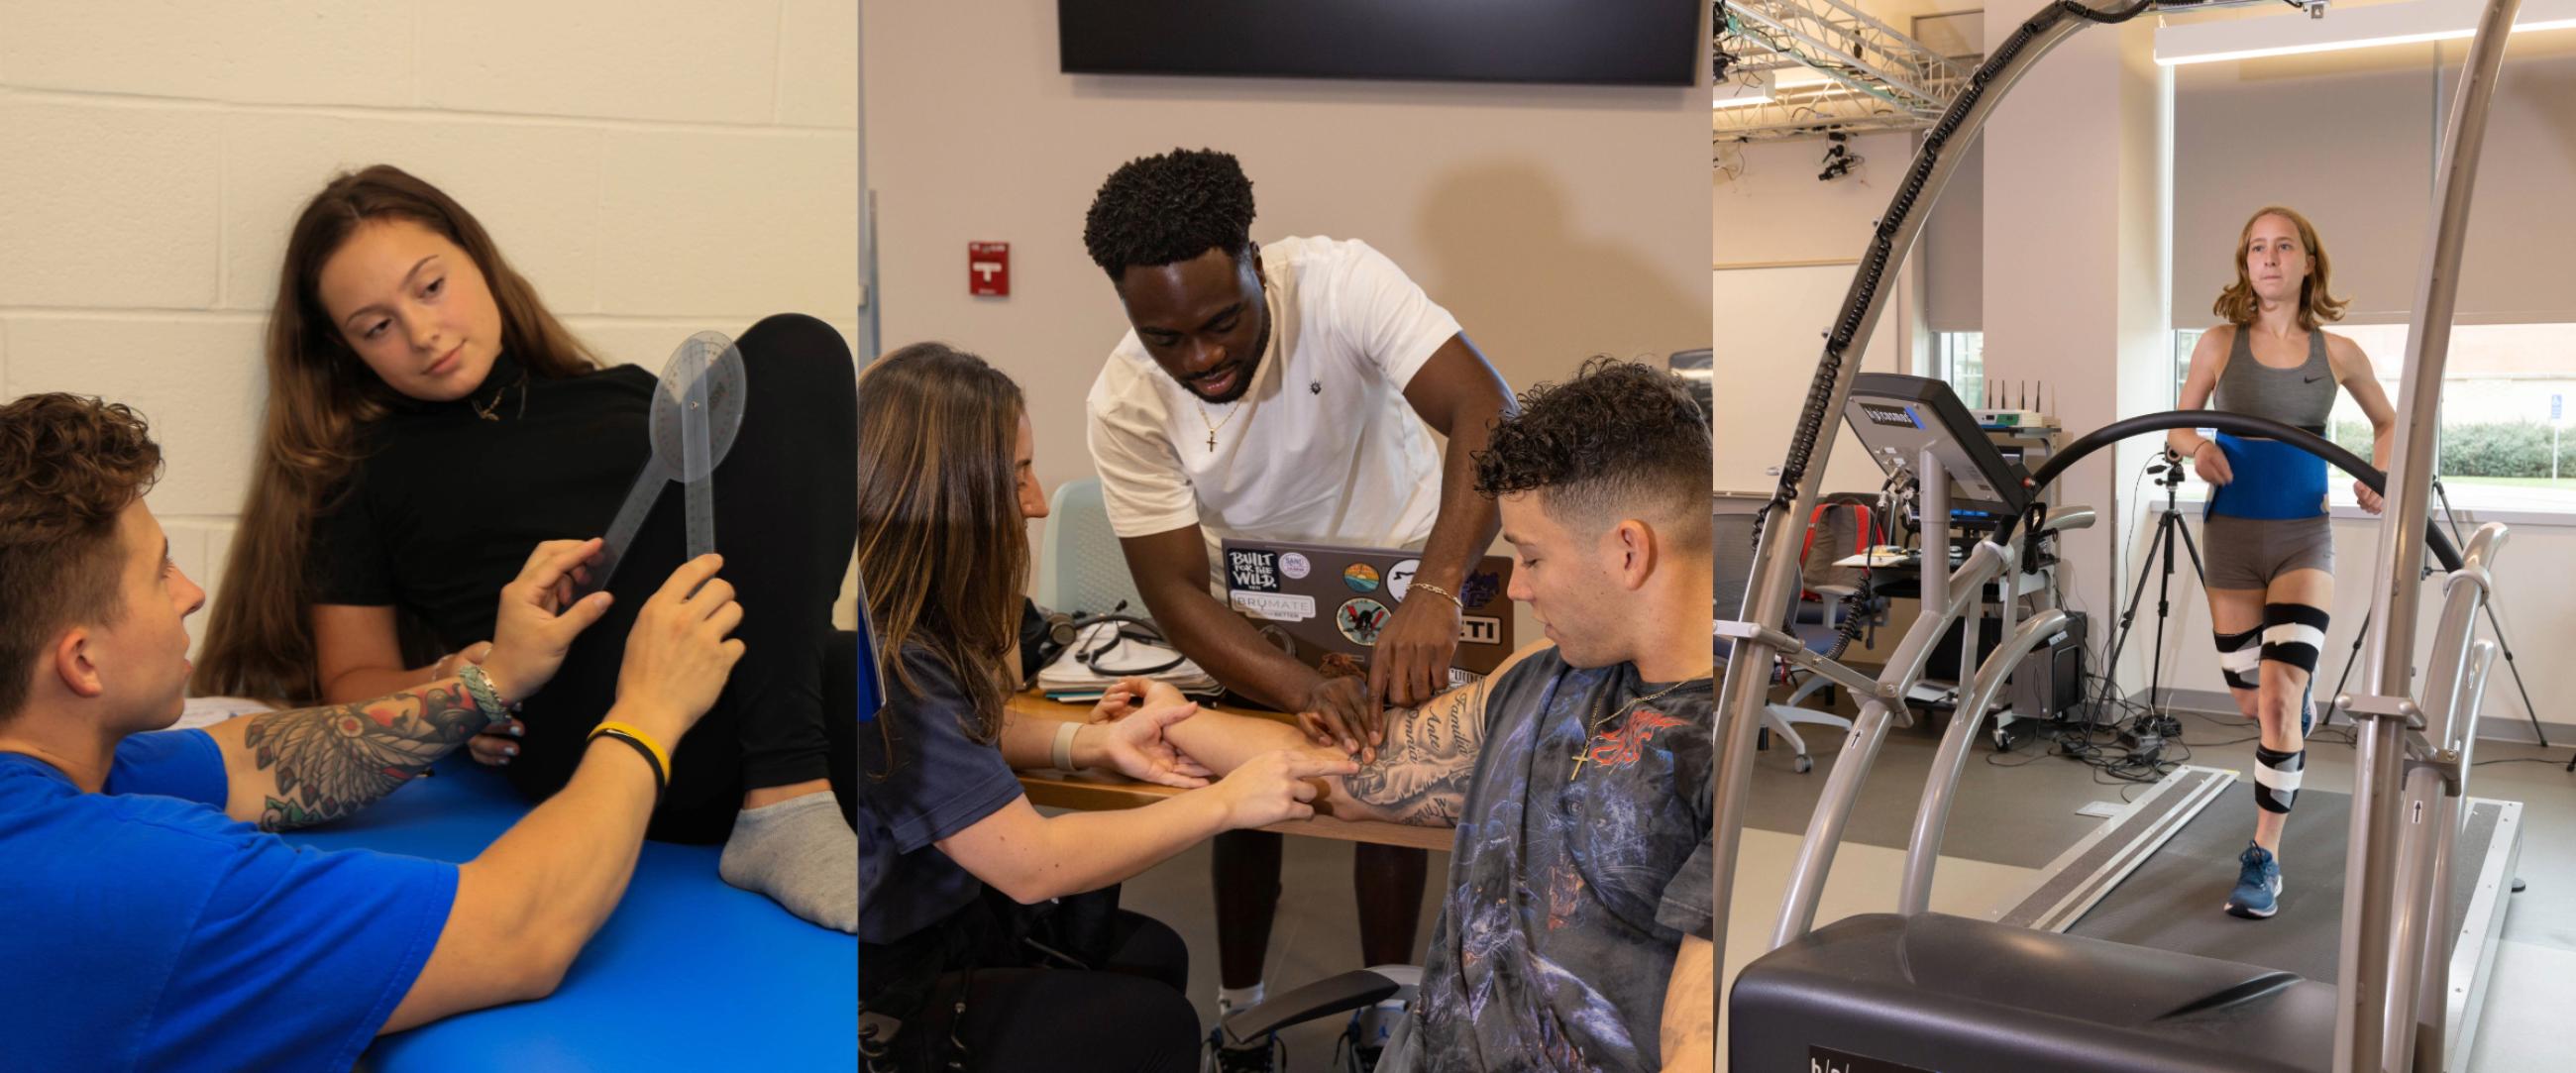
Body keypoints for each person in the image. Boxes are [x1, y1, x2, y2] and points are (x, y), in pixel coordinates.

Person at [189, 165, 859, 930]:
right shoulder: (364, 471)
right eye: (376, 326)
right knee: (797, 346)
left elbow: (767, 551)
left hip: (731, 683)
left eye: (430, 286)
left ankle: (806, 788)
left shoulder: (626, 393)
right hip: (592, 718)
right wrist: (472, 683)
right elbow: (350, 678)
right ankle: (787, 799)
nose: (422, 332)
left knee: (868, 667)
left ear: (480, 261)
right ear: (346, 351)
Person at [0, 392, 744, 1070]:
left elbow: (248, 760)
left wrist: (491, 683)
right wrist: (648, 711)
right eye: (160, 573)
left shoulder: (59, 772)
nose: (192, 592)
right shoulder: (137, 877)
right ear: (82, 661)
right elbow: (521, 927)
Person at [1111, 360, 1718, 1072]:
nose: (1516, 587)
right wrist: (1165, 719)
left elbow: (1696, 1032)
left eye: (1530, 557)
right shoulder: (1542, 679)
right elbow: (1359, 765)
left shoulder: (1721, 751)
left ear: (1628, 550)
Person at [1081, 147, 1517, 1065]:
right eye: (1167, 339)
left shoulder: (1341, 281)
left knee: (1385, 784)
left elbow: (1488, 411)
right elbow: (1169, 589)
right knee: (1250, 794)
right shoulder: (1123, 399)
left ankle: (1386, 1014)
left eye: (1222, 322)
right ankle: (1241, 1015)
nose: (1200, 356)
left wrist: (1435, 589)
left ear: (1253, 257)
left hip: (1400, 562)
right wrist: (1288, 681)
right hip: (1255, 591)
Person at [855, 343, 1357, 1073]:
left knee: (1152, 954)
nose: (1035, 502)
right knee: (1153, 1023)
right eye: (1018, 474)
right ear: (948, 496)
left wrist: (1086, 747)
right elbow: (1033, 864)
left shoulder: (904, 624)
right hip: (879, 986)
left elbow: (960, 742)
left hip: (937, 925)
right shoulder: (889, 660)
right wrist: (1227, 801)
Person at [2169, 205, 2397, 919]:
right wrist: (2197, 448)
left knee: (2275, 697)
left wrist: (2377, 473)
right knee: (2251, 699)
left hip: (2304, 537)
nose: (2269, 258)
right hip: (2232, 540)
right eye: (2257, 248)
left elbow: (2390, 423)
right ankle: (2291, 689)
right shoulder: (2216, 344)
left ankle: (2264, 856)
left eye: (2283, 246)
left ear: (2306, 263)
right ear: (2247, 264)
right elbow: (2178, 423)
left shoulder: (2339, 354)